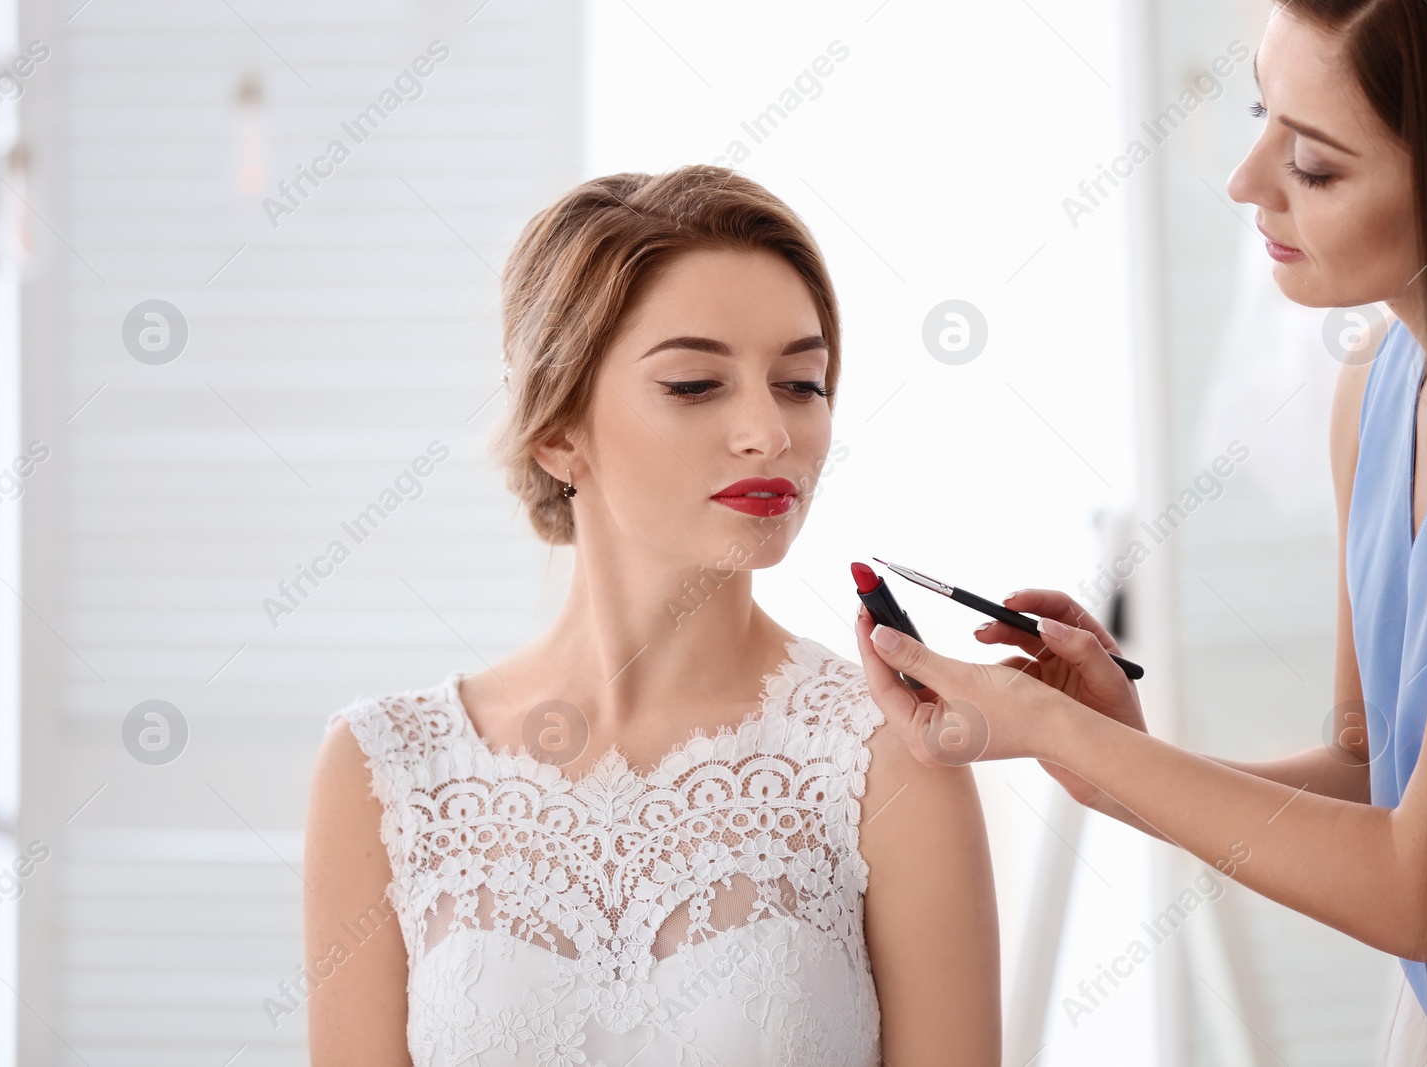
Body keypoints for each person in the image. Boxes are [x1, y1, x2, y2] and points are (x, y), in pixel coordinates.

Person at [852, 3, 1427, 1066]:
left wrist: (1063, 737)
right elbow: (1373, 768)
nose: (1245, 180)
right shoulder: (1371, 391)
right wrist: (1123, 763)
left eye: (1312, 165)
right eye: (1259, 113)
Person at [302, 165, 1002, 1066]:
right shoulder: (384, 770)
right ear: (558, 430)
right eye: (695, 385)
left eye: (801, 382)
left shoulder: (886, 754)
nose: (770, 432)